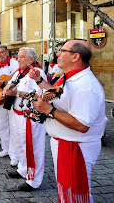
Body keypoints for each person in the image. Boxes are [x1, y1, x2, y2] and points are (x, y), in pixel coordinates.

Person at [30, 40, 105, 202]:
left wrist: (49, 110)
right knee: (68, 193)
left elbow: (82, 125)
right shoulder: (71, 78)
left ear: (75, 57)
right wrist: (39, 82)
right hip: (67, 145)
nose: (57, 54)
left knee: (76, 195)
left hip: (76, 148)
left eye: (62, 50)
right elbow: (58, 95)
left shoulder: (85, 86)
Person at [2, 47, 47, 192]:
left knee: (33, 148)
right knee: (19, 145)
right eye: (18, 57)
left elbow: (38, 95)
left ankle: (34, 180)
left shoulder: (38, 74)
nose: (18, 59)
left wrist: (16, 93)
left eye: (22, 57)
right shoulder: (19, 74)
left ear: (31, 59)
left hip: (30, 117)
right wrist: (6, 92)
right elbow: (9, 87)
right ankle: (23, 169)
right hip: (16, 114)